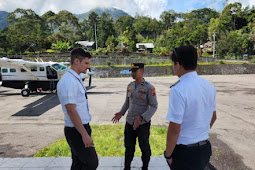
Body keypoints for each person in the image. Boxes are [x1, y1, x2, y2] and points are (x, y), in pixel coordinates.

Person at [164, 45, 217, 170]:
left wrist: (168, 154)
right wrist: (198, 134)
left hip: (185, 154)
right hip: (204, 148)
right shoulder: (208, 85)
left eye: (173, 64)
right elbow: (213, 116)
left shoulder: (178, 89)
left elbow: (175, 129)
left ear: (178, 64)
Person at [57, 48, 98, 170]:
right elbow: (71, 110)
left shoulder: (75, 79)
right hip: (76, 130)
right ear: (76, 61)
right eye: (86, 63)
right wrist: (84, 134)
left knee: (78, 163)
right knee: (91, 163)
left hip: (80, 128)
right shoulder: (69, 81)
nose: (88, 67)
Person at [112, 63, 158, 170]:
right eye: (131, 71)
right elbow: (127, 102)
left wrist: (142, 117)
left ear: (141, 71)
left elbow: (154, 106)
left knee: (144, 147)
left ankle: (145, 167)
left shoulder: (149, 88)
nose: (132, 73)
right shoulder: (130, 86)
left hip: (142, 124)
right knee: (128, 147)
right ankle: (126, 167)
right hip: (130, 122)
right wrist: (121, 113)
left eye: (134, 71)